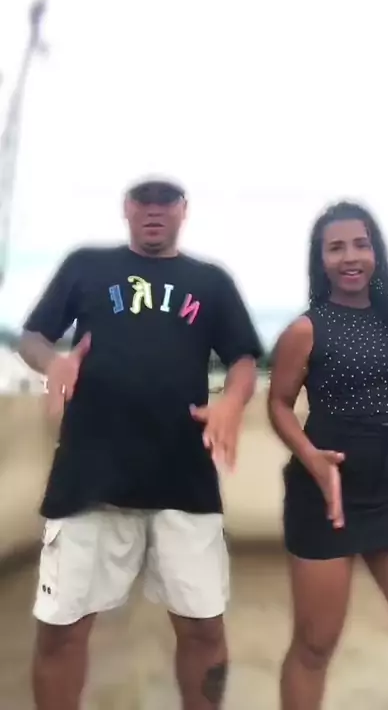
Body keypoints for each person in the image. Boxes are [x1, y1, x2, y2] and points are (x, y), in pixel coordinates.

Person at [18, 178, 262, 710]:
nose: (154, 210)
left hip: (184, 480)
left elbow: (244, 358)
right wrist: (52, 362)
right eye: (143, 202)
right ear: (127, 209)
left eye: (166, 202)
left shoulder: (211, 281)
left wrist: (232, 401)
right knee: (60, 632)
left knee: (204, 631)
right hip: (88, 479)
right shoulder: (86, 265)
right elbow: (33, 337)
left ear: (183, 211)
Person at [267, 201, 388, 710]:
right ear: (321, 259)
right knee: (315, 644)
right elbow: (279, 405)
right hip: (325, 499)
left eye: (360, 244)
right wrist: (311, 458)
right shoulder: (306, 330)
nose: (350, 256)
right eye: (336, 248)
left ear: (376, 252)